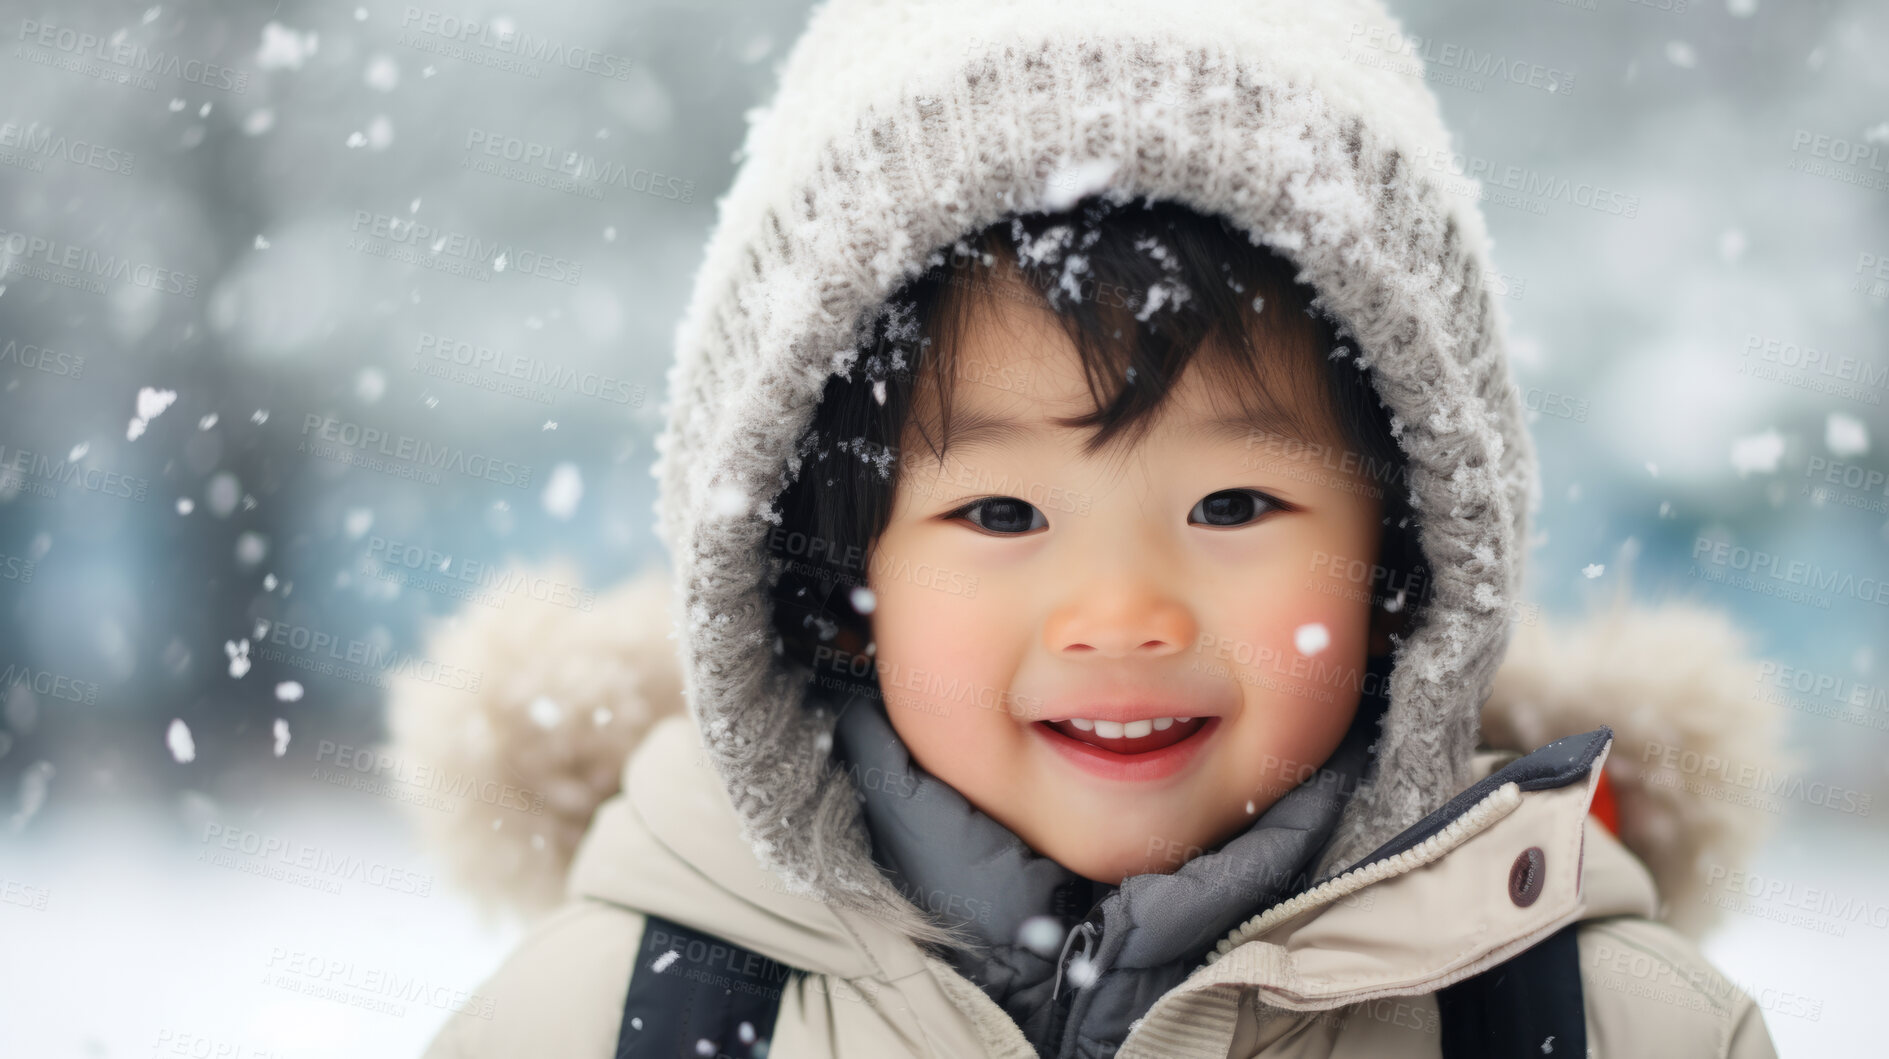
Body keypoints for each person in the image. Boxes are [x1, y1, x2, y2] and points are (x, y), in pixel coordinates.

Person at [396, 1, 1785, 1055]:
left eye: (1232, 505)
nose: (1121, 612)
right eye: (1000, 511)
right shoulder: (604, 1021)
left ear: (1411, 562)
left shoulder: (1605, 1024)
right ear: (827, 571)